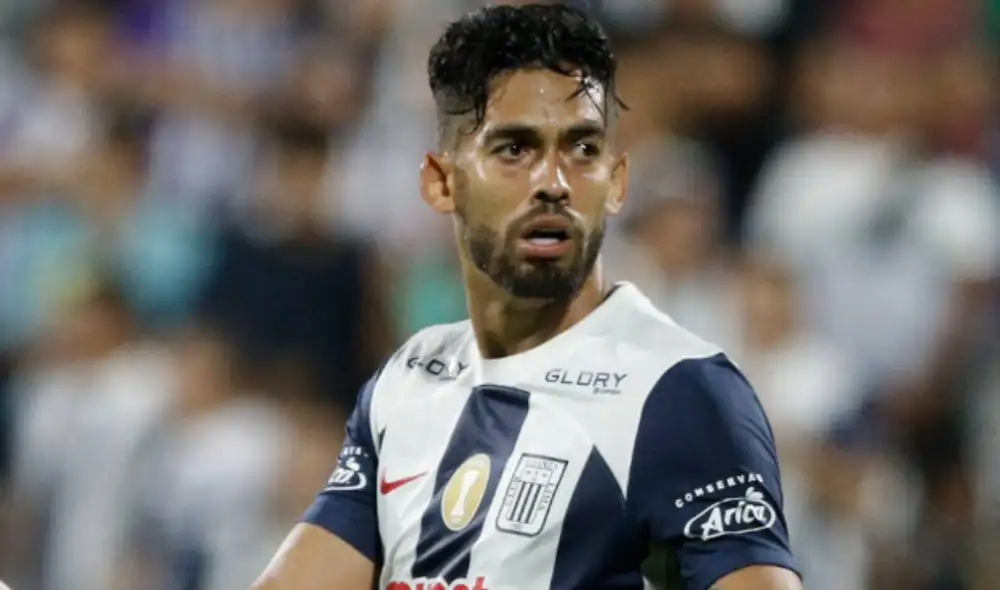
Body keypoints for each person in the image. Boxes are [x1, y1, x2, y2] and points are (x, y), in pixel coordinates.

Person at [252, 4, 801, 590]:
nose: (554, 183)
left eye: (582, 149)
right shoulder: (408, 381)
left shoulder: (676, 391)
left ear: (616, 183)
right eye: (514, 150)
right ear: (442, 182)